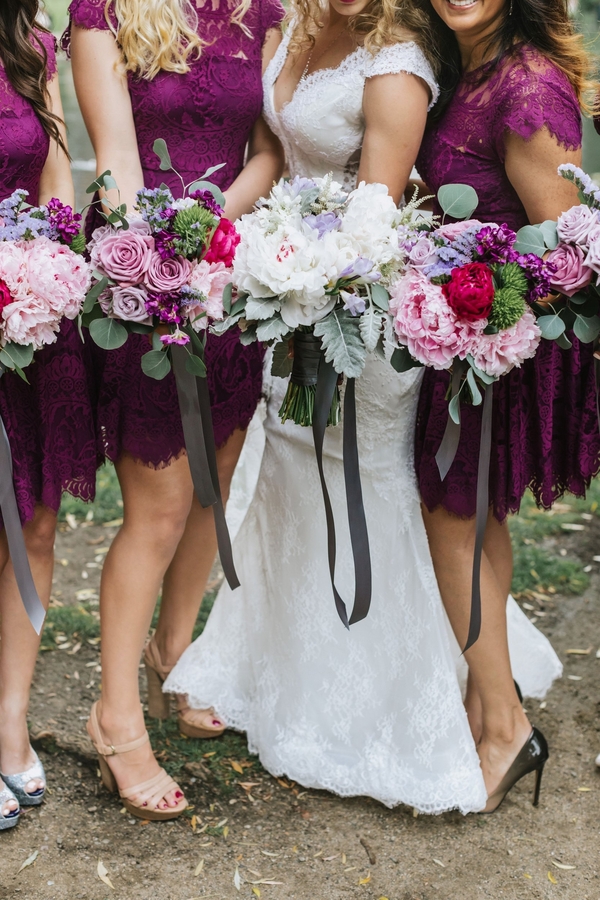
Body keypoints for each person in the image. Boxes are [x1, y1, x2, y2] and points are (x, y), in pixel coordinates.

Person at [166, 0, 495, 814]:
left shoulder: (397, 62)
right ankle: (290, 683)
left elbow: (376, 213)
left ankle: (379, 712)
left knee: (361, 482)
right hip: (280, 288)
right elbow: (277, 154)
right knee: (286, 471)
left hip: (356, 306)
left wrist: (307, 281)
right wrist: (214, 241)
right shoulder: (287, 34)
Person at [65, 0, 285, 820]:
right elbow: (114, 161)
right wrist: (157, 262)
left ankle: (176, 652)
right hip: (142, 279)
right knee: (157, 506)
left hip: (231, 271)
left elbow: (267, 150)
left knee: (213, 484)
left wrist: (213, 232)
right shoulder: (102, 10)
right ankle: (115, 715)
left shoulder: (262, 9)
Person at [412, 0, 599, 810]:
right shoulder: (471, 73)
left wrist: (483, 311)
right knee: (475, 518)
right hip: (461, 342)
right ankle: (488, 702)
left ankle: (505, 727)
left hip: (498, 348)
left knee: (451, 518)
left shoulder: (526, 92)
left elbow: (568, 253)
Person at [0, 0, 99, 831]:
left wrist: (48, 265)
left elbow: (56, 173)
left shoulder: (31, 44)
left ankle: (7, 720)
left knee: (33, 525)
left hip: (23, 321)